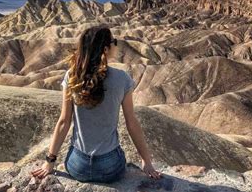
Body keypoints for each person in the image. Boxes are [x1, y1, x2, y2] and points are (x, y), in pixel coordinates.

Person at [31, 25, 162, 183]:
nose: (115, 46)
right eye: (113, 42)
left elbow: (64, 122)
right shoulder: (122, 79)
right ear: (106, 49)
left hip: (77, 166)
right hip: (111, 167)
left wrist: (49, 162)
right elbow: (131, 123)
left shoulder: (72, 76)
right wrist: (147, 163)